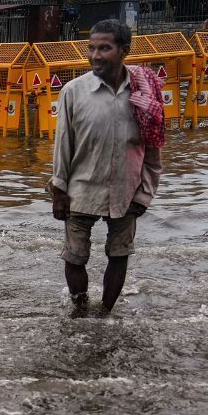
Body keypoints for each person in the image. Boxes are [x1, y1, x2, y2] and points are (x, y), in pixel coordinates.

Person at [48, 18, 163, 315]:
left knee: (120, 254)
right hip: (80, 188)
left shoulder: (145, 92)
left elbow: (152, 148)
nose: (96, 55)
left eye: (105, 48)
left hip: (126, 190)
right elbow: (63, 145)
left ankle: (105, 314)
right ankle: (80, 310)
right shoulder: (74, 91)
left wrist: (145, 194)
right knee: (74, 257)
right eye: (92, 48)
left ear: (124, 50)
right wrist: (58, 190)